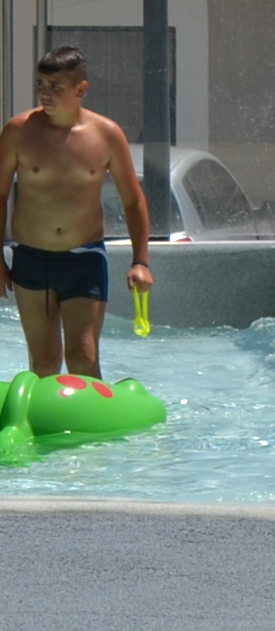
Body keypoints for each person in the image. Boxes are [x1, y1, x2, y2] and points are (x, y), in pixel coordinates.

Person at [2, 45, 150, 380]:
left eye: (56, 87)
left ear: (81, 89)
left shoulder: (106, 134)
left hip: (84, 260)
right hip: (30, 258)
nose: (45, 93)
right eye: (41, 84)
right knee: (43, 365)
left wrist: (140, 261)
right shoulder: (19, 131)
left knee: (82, 359)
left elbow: (133, 201)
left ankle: (93, 431)